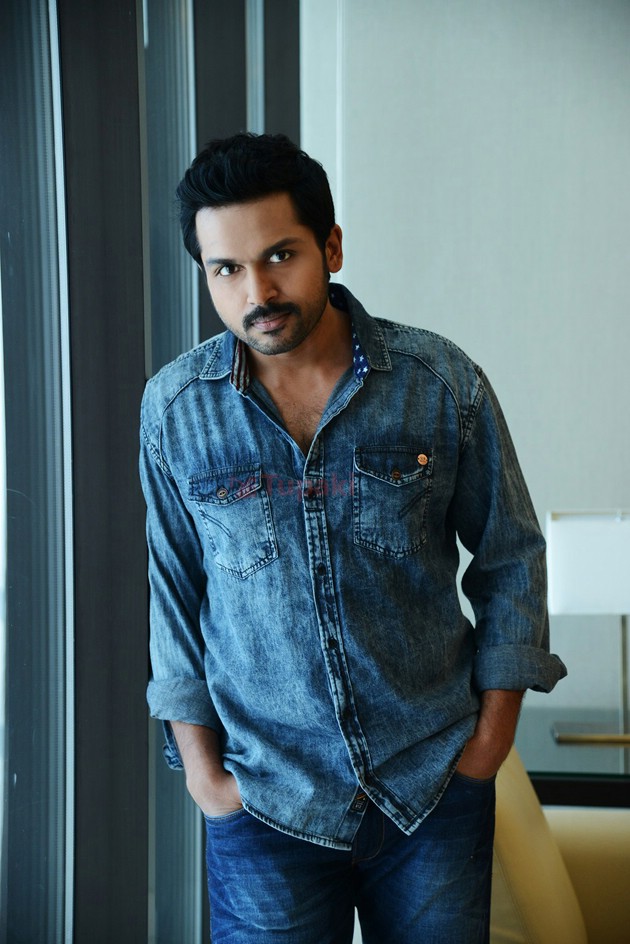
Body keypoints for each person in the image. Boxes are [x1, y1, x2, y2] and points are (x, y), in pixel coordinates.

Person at [139, 132, 566, 943]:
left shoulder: (439, 383)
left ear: (331, 247)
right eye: (226, 269)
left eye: (280, 256)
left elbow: (511, 555)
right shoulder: (176, 410)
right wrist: (204, 776)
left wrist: (489, 743)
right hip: (264, 802)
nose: (257, 291)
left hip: (430, 789)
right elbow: (173, 591)